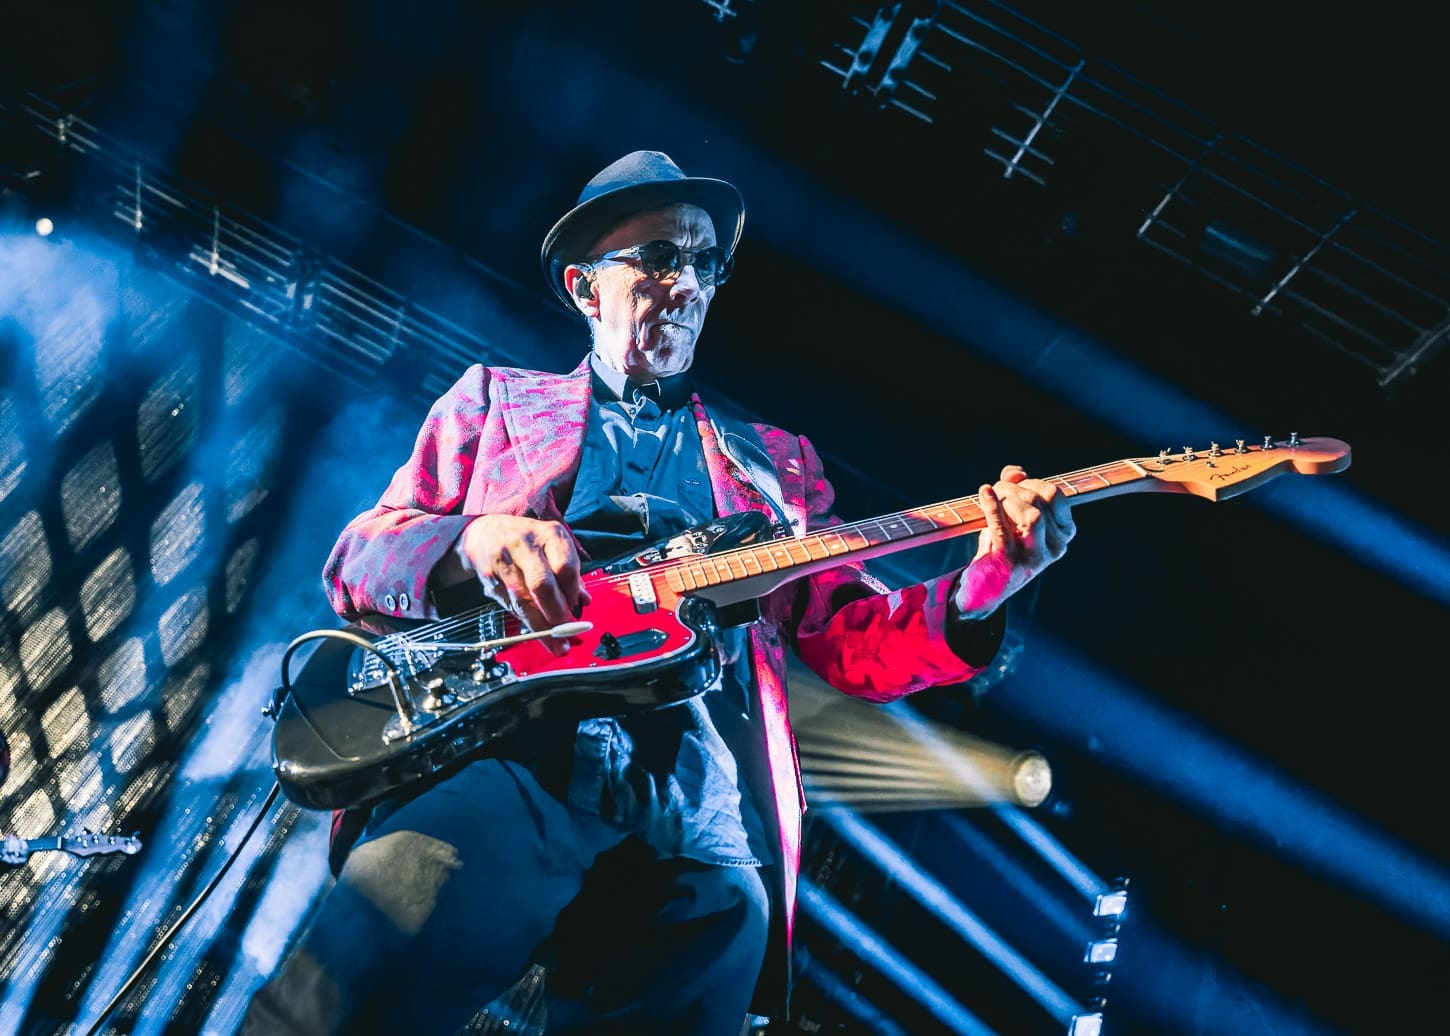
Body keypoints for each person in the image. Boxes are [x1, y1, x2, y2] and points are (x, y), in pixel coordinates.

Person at [242, 149, 1076, 1035]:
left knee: (722, 937)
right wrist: (473, 542)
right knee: (331, 1013)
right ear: (583, 286)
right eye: (659, 258)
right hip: (503, 754)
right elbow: (358, 560)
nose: (688, 284)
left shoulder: (777, 465)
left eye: (706, 264)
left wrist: (982, 586)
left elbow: (850, 638)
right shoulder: (494, 401)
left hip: (696, 812)